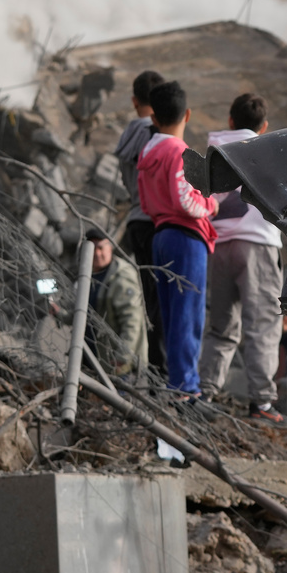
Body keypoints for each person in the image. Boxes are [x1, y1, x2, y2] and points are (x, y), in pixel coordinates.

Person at [198, 93, 285, 422]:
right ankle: (261, 403)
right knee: (261, 325)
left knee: (220, 325)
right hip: (258, 246)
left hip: (219, 245)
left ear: (230, 121)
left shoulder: (215, 149)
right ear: (263, 127)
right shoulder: (270, 150)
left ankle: (205, 392)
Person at [137, 81, 219, 399]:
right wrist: (211, 205)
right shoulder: (177, 151)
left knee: (171, 315)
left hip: (160, 235)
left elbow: (145, 202)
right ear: (187, 114)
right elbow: (186, 201)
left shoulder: (148, 153)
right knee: (189, 313)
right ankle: (187, 389)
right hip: (186, 239)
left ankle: (177, 383)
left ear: (154, 117)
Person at [114, 69, 166, 371]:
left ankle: (152, 370)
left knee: (149, 300)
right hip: (157, 220)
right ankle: (163, 374)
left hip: (136, 219)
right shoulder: (156, 132)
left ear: (135, 100)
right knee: (164, 303)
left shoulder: (128, 134)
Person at [54, 229, 148, 376]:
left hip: (116, 363)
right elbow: (84, 313)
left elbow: (131, 322)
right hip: (91, 357)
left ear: (110, 247)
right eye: (92, 249)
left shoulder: (121, 277)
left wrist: (123, 357)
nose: (97, 254)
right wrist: (59, 314)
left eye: (100, 247)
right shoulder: (88, 277)